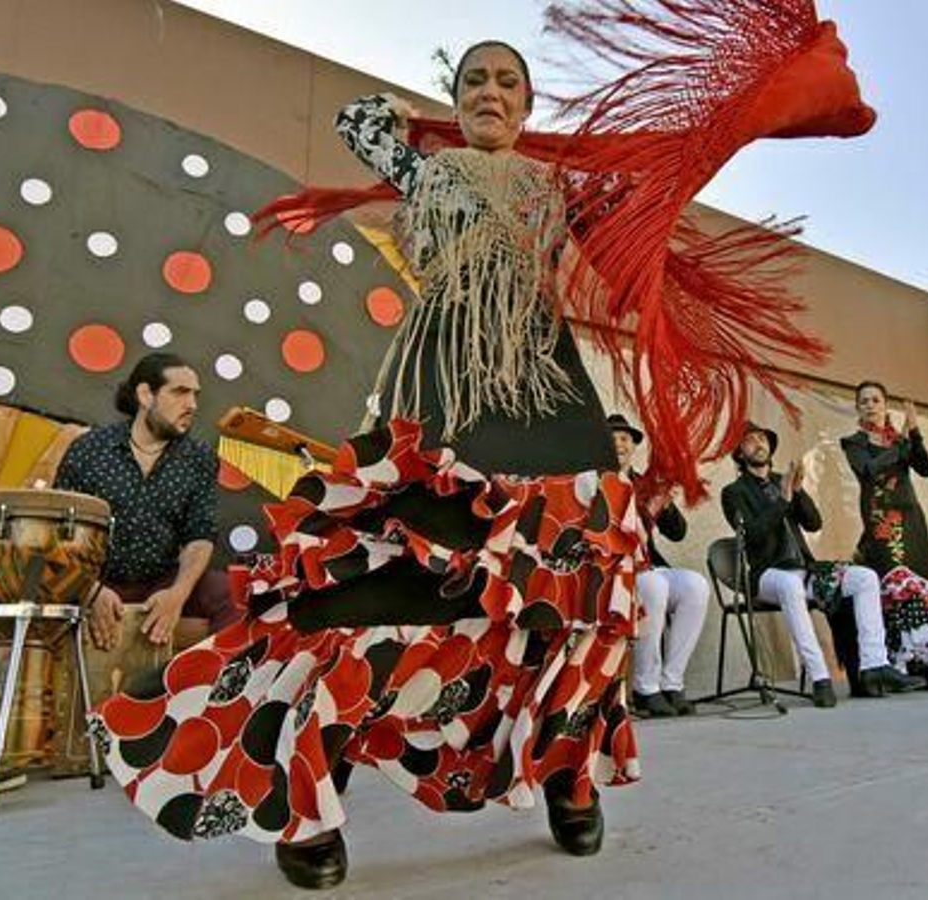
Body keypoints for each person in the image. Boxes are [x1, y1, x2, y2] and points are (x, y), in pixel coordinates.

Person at [97, 43, 643, 889]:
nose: (490, 93)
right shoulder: (424, 172)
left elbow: (640, 230)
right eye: (473, 81)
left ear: (531, 107)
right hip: (440, 390)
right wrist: (397, 115)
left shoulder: (556, 186)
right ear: (454, 101)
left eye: (508, 83)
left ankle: (569, 776)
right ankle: (311, 802)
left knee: (575, 582)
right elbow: (356, 122)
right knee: (366, 577)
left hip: (546, 394)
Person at [720, 422, 918, 708]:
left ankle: (875, 665)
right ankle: (819, 677)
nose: (758, 443)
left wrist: (798, 493)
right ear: (739, 452)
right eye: (749, 440)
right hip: (766, 576)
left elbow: (814, 523)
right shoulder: (734, 492)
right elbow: (753, 535)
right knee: (789, 584)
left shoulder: (783, 481)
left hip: (805, 571)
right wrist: (783, 500)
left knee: (863, 577)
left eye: (762, 438)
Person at [54, 353, 238, 649]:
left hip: (161, 581)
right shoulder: (89, 449)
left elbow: (200, 536)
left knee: (233, 592)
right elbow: (60, 533)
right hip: (96, 579)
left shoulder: (199, 458)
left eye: (195, 395)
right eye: (180, 392)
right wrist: (88, 589)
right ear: (145, 395)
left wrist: (178, 594)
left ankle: (213, 690)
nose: (192, 404)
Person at [609, 414, 707, 718]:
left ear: (634, 447)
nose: (619, 444)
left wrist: (665, 503)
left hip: (648, 566)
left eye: (625, 438)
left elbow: (678, 533)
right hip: (614, 570)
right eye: (612, 438)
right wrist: (646, 513)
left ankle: (671, 681)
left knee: (695, 586)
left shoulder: (645, 483)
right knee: (653, 584)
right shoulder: (596, 480)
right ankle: (645, 686)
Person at [841, 381, 928, 582]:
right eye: (864, 402)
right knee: (894, 576)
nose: (870, 405)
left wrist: (914, 432)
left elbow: (924, 469)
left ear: (885, 406)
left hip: (910, 515)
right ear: (857, 409)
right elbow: (868, 470)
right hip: (881, 517)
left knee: (921, 573)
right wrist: (901, 443)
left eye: (876, 400)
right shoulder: (854, 442)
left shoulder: (897, 440)